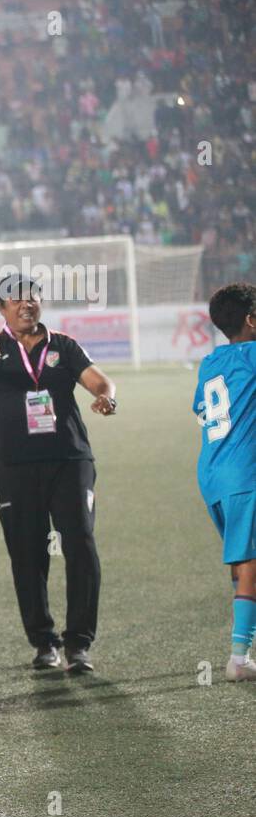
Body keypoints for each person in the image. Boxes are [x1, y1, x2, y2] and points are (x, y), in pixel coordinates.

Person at [0, 273, 117, 673]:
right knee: (27, 552)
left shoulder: (64, 346)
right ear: (2, 309)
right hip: (14, 466)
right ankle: (44, 643)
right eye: (16, 300)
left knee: (81, 544)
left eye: (33, 297)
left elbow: (97, 380)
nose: (26, 304)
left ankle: (79, 644)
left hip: (69, 460)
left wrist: (106, 397)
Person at [192, 283, 256, 682]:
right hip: (245, 474)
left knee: (241, 560)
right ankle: (239, 657)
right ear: (251, 320)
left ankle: (243, 644)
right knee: (250, 562)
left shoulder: (210, 362)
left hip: (213, 473)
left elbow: (202, 410)